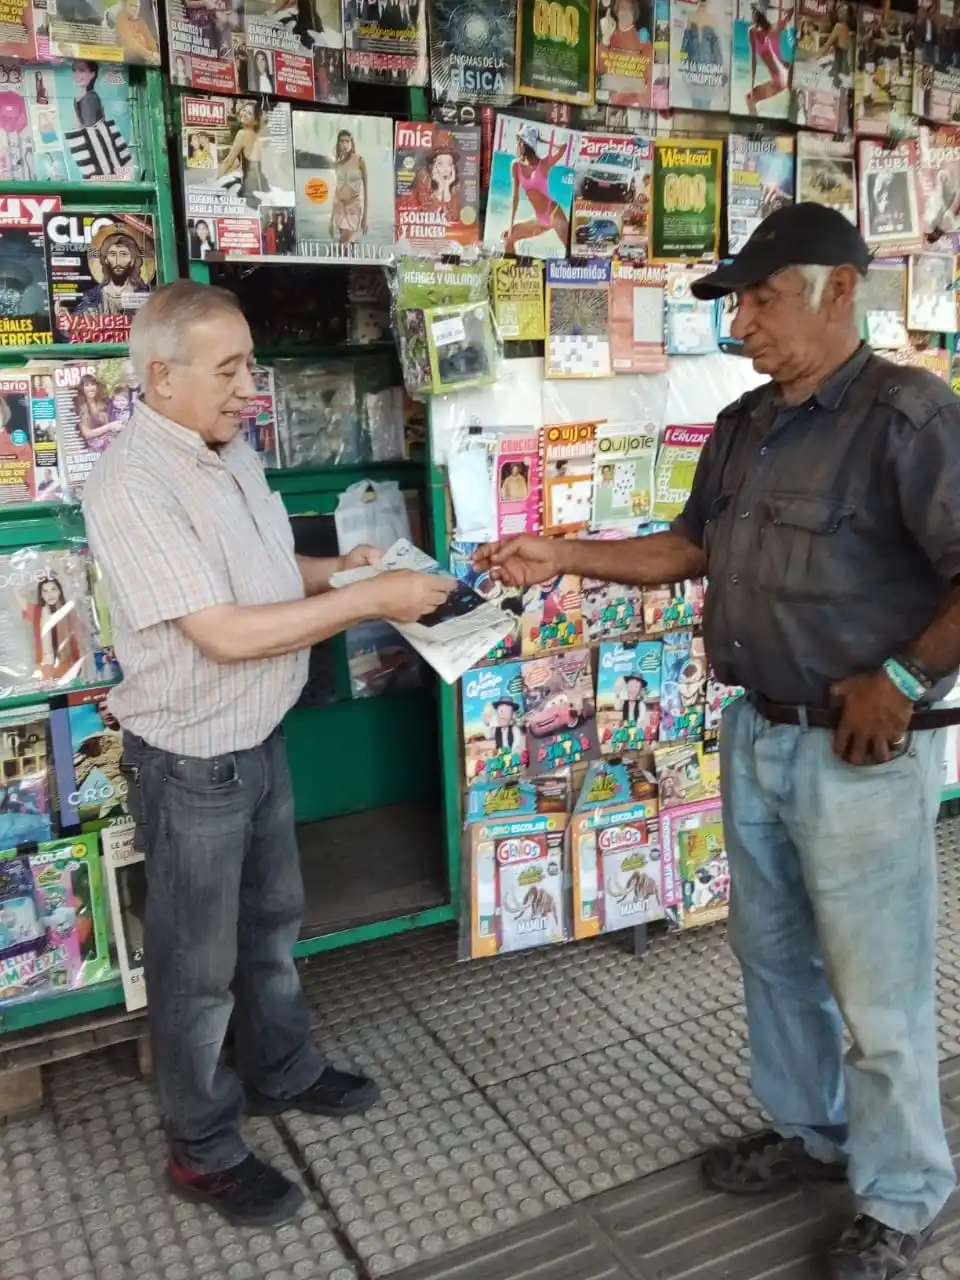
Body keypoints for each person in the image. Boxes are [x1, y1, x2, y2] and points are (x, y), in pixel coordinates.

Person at [476, 203, 960, 1280]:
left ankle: (904, 1193)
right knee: (776, 958)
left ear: (840, 288)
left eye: (761, 296)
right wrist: (562, 551)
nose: (741, 321)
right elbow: (688, 549)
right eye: (735, 301)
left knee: (878, 992)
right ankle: (812, 1134)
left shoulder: (911, 418)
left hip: (861, 752)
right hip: (757, 735)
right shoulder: (746, 424)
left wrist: (901, 674)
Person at [83, 281, 455, 1229]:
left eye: (252, 363)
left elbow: (266, 575)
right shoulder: (133, 484)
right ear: (161, 378)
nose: (254, 385)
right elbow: (224, 632)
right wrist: (371, 606)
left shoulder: (230, 453)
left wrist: (354, 572)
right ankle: (201, 1148)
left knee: (274, 923)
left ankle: (281, 1070)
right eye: (231, 368)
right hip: (192, 760)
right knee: (196, 965)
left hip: (259, 734)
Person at [505, 124, 570, 255]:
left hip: (554, 213)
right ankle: (514, 271)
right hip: (540, 219)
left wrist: (541, 139)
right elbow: (515, 198)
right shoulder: (515, 166)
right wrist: (510, 223)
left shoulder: (543, 164)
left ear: (527, 144)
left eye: (521, 141)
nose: (518, 144)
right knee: (508, 238)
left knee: (570, 251)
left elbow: (563, 147)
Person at [745, 0, 794, 113]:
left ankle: (756, 129)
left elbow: (791, 11)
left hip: (783, 76)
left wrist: (780, 9)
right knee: (750, 99)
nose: (752, 15)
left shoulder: (770, 29)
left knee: (749, 99)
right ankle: (757, 128)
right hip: (782, 77)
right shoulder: (760, 31)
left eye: (754, 12)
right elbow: (790, 13)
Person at [330, 128, 368, 244]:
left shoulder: (360, 161)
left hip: (353, 208)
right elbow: (336, 191)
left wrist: (365, 218)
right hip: (339, 208)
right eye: (341, 141)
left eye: (347, 141)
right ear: (338, 143)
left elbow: (366, 192)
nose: (344, 144)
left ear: (351, 143)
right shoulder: (338, 163)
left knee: (342, 242)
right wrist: (330, 220)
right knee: (348, 245)